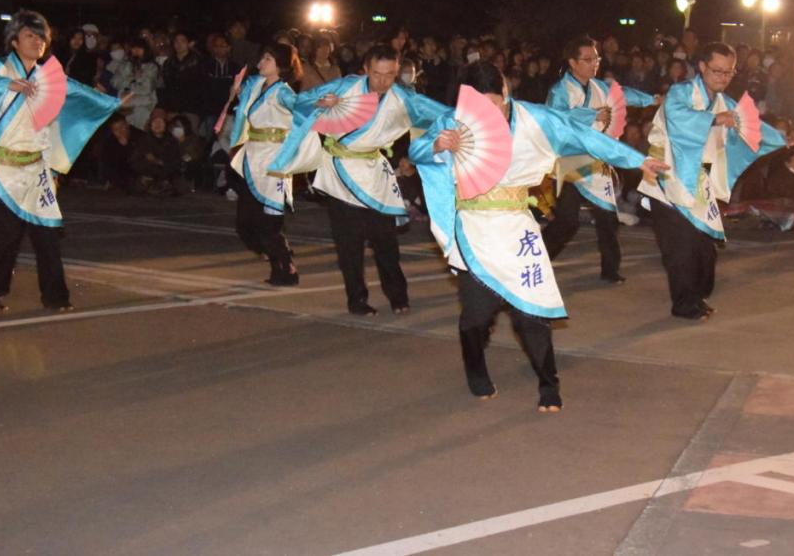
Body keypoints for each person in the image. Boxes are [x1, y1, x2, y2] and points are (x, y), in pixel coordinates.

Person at [410, 61, 666, 411]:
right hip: (473, 228)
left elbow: (586, 137)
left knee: (532, 313)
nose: (489, 113)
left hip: (517, 225)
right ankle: (475, 368)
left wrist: (636, 160)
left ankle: (549, 382)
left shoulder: (536, 119)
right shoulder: (453, 121)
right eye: (478, 106)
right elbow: (417, 151)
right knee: (476, 315)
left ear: (505, 92)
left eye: (494, 103)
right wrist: (437, 146)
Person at [0, 10, 126, 311]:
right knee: (4, 240)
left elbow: (78, 93)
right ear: (14, 40)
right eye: (29, 36)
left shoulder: (48, 78)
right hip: (0, 168)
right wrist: (5, 86)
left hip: (35, 169)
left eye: (41, 37)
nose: (37, 41)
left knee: (48, 235)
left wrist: (110, 103)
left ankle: (56, 297)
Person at [271, 44, 448, 315]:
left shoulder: (402, 97)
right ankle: (357, 299)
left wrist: (476, 119)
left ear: (397, 70)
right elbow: (298, 101)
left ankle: (398, 295)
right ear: (366, 68)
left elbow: (440, 114)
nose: (382, 81)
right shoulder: (346, 88)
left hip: (375, 170)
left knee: (385, 240)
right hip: (340, 173)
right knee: (349, 244)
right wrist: (320, 104)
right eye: (377, 73)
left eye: (389, 74)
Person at [639, 42, 786, 320]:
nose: (722, 77)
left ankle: (696, 296)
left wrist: (781, 139)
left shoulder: (724, 102)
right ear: (702, 67)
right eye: (717, 70)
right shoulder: (680, 93)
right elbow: (679, 119)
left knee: (704, 248)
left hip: (700, 182)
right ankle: (684, 304)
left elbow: (752, 126)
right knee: (680, 248)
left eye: (728, 72)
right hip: (668, 181)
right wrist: (715, 119)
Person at [542, 36, 659, 283]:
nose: (594, 63)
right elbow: (555, 119)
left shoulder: (599, 88)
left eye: (596, 58)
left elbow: (622, 94)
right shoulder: (560, 90)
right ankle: (537, 261)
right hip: (570, 162)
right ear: (573, 62)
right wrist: (590, 114)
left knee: (607, 217)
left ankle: (610, 269)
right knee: (567, 221)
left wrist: (651, 99)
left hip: (595, 161)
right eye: (588, 59)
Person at [228, 43, 321, 285]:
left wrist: (319, 105)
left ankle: (284, 269)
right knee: (245, 222)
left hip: (272, 159)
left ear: (281, 64)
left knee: (267, 221)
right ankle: (281, 257)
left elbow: (302, 108)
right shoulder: (257, 86)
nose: (260, 63)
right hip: (253, 155)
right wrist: (238, 93)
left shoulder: (283, 92)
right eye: (262, 58)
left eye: (267, 59)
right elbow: (246, 107)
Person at [111, 38, 159, 129]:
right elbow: (114, 81)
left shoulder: (151, 67)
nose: (136, 51)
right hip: (125, 106)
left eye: (139, 48)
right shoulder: (124, 65)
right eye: (134, 48)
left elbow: (147, 88)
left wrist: (132, 83)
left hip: (143, 105)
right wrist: (131, 81)